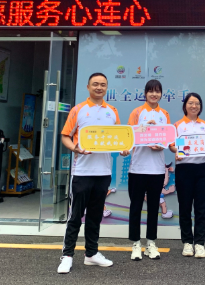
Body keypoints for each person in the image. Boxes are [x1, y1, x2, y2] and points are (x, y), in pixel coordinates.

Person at [57, 73, 119, 274]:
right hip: (82, 171)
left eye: (103, 85)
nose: (99, 87)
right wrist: (75, 148)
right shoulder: (78, 110)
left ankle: (91, 254)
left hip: (104, 172)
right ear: (88, 87)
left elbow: (118, 138)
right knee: (76, 215)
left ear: (106, 88)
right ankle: (67, 256)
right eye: (95, 84)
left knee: (95, 215)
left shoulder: (112, 111)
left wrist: (124, 148)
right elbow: (65, 136)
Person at [121, 79, 171, 261]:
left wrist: (162, 145)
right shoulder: (137, 112)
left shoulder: (164, 114)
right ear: (145, 93)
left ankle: (151, 243)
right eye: (151, 91)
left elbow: (168, 138)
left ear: (161, 94)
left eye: (157, 91)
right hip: (138, 168)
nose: (154, 94)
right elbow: (129, 135)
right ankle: (135, 243)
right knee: (135, 207)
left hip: (157, 169)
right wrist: (143, 129)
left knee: (153, 207)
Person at [169, 92, 205, 259]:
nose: (194, 106)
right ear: (185, 106)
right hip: (184, 168)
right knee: (185, 206)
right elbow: (173, 145)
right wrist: (177, 151)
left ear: (200, 107)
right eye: (191, 103)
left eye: (197, 103)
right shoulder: (178, 125)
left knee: (201, 207)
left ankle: (199, 243)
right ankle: (187, 242)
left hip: (203, 168)